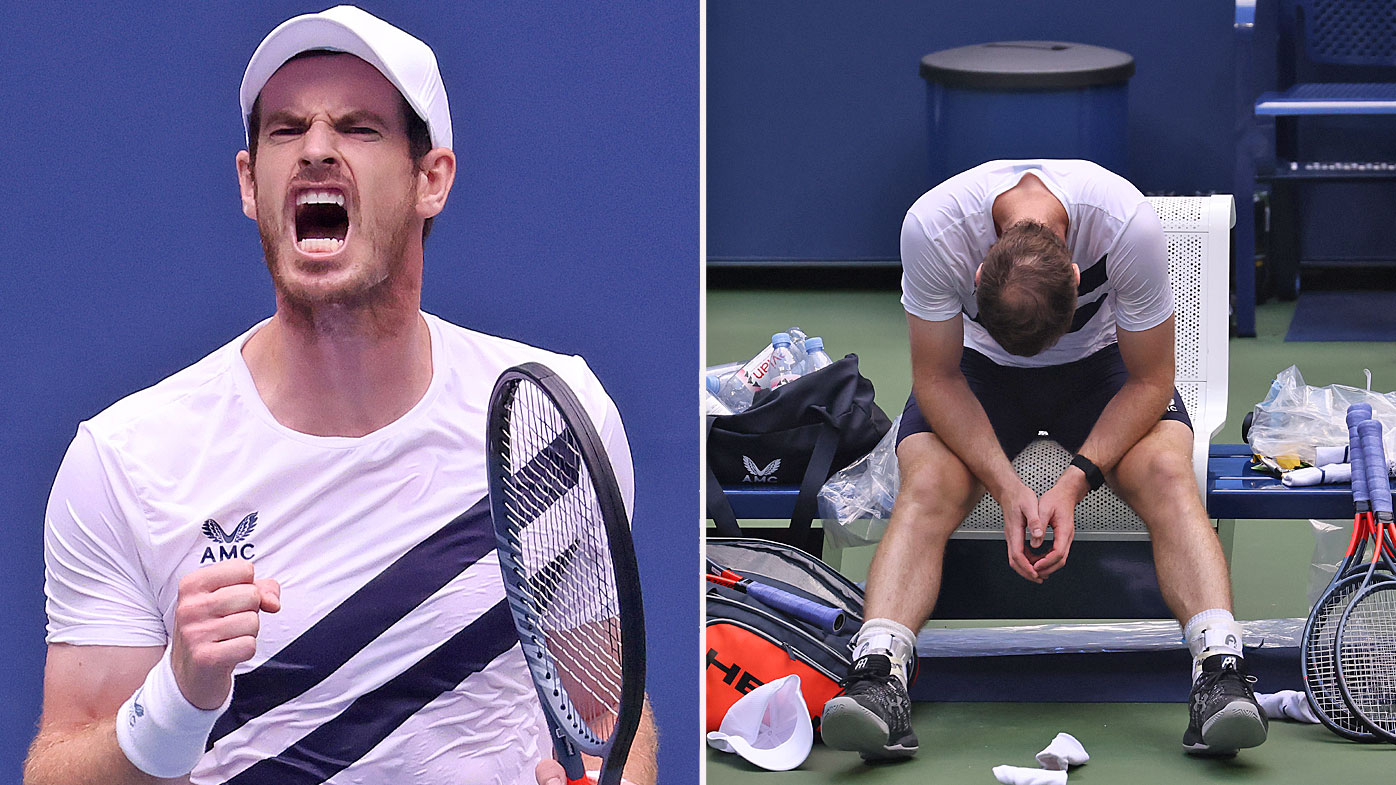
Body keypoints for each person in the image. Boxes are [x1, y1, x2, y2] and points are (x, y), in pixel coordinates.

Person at [22, 7, 656, 785]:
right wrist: (177, 700)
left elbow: (601, 714)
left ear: (432, 179)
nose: (317, 148)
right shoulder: (125, 463)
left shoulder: (556, 428)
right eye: (286, 131)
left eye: (358, 128)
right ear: (251, 184)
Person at [819, 159, 1266, 760]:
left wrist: (1073, 481)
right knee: (926, 482)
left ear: (1078, 276)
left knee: (1167, 471)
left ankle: (1221, 672)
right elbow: (937, 376)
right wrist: (1008, 487)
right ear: (978, 273)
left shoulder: (1126, 224)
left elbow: (1153, 380)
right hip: (978, 373)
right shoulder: (932, 227)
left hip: (1103, 370)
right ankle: (879, 677)